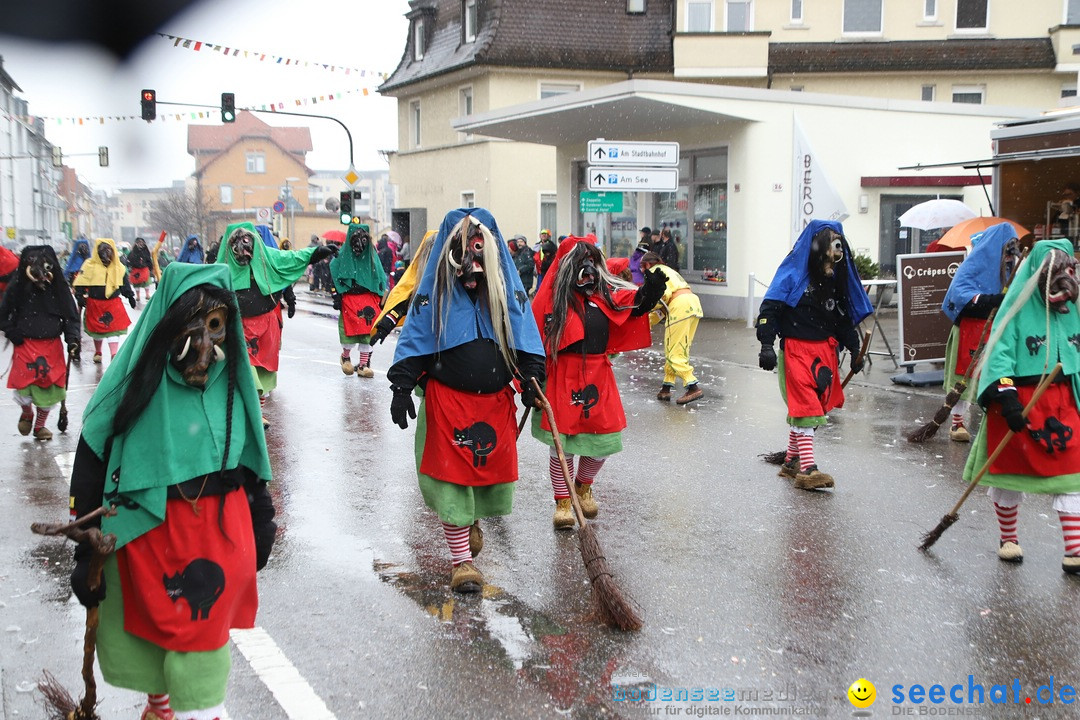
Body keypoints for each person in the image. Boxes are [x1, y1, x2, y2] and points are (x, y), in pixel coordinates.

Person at [67, 262, 276, 720]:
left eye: (215, 327)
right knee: (155, 628)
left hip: (218, 534)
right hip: (151, 534)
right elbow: (91, 461)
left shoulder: (233, 388)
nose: (204, 347)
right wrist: (84, 552)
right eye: (191, 328)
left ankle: (201, 712)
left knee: (200, 642)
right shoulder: (130, 385)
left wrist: (262, 513)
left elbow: (250, 459)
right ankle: (160, 707)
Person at [387, 208, 545, 593]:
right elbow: (418, 338)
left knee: (485, 478)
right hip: (448, 404)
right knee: (452, 482)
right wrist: (402, 386)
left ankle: (468, 523)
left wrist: (532, 377)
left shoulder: (506, 293)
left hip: (494, 404)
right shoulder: (435, 296)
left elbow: (524, 336)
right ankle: (462, 562)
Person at [531, 236, 666, 527]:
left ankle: (583, 485)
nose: (588, 269)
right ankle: (563, 501)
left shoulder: (602, 294)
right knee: (561, 444)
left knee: (604, 441)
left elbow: (629, 306)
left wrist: (648, 295)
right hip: (561, 374)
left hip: (597, 374)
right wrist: (529, 383)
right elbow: (533, 341)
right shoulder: (551, 298)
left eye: (592, 261)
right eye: (581, 262)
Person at [965, 239, 1080, 572]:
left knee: (1073, 474)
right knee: (1009, 474)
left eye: (1069, 270)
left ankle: (1074, 549)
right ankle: (1008, 538)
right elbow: (999, 353)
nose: (1065, 277)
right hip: (1021, 401)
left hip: (1063, 401)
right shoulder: (1016, 305)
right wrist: (1007, 397)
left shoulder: (1073, 305)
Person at [755, 220, 873, 491]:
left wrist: (855, 349)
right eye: (830, 240)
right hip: (796, 350)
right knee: (807, 407)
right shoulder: (791, 276)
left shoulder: (835, 282)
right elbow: (769, 311)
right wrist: (766, 345)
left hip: (824, 353)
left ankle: (791, 461)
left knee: (812, 406)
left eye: (838, 240)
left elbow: (842, 320)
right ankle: (809, 469)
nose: (836, 246)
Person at [217, 222, 336, 423]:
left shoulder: (269, 258)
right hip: (240, 325)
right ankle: (253, 412)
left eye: (246, 242)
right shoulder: (220, 269)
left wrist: (318, 252)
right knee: (246, 365)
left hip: (267, 323)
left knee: (264, 370)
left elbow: (293, 257)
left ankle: (257, 413)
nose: (243, 248)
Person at [940, 223, 1021, 442]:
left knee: (997, 375)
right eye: (1006, 249)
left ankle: (993, 420)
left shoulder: (1012, 268)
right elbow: (959, 294)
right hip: (970, 330)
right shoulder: (975, 263)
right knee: (962, 377)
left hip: (996, 331)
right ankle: (957, 422)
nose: (1009, 255)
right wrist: (990, 300)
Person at [0, 246, 80, 440]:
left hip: (51, 344)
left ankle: (40, 426)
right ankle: (27, 412)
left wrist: (72, 339)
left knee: (49, 387)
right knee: (24, 385)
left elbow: (71, 316)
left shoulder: (59, 289)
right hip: (25, 343)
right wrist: (11, 330)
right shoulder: (17, 287)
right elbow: (3, 313)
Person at [641, 251, 705, 404]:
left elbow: (661, 297)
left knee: (674, 351)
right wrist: (645, 323)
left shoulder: (655, 272)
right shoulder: (669, 270)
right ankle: (666, 387)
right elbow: (662, 308)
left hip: (679, 306)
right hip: (692, 303)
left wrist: (644, 307)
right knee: (679, 347)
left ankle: (692, 386)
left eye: (642, 267)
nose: (642, 270)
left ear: (648, 264)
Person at [330, 223, 387, 378]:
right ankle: (346, 357)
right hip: (349, 298)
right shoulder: (342, 256)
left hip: (368, 297)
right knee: (349, 330)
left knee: (367, 331)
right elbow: (334, 272)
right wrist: (336, 295)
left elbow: (380, 276)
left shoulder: (372, 256)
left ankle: (363, 365)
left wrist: (381, 296)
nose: (360, 244)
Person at [73, 238, 137, 364]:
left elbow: (124, 284)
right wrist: (79, 296)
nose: (106, 254)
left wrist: (130, 296)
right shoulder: (89, 265)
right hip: (95, 302)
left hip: (113, 302)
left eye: (109, 250)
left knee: (113, 329)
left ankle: (114, 354)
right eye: (103, 250)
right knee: (97, 330)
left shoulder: (119, 267)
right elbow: (81, 282)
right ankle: (98, 351)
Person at [370, 230, 436, 346]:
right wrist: (385, 326)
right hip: (421, 340)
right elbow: (402, 306)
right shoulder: (419, 283)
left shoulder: (459, 284)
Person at [129, 237, 154, 302]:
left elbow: (149, 259)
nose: (140, 244)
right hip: (135, 269)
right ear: (136, 243)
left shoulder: (146, 251)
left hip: (144, 269)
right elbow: (129, 260)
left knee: (146, 283)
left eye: (142, 242)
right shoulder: (132, 252)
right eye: (139, 242)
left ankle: (147, 294)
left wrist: (150, 267)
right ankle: (138, 296)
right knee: (136, 283)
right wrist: (130, 266)